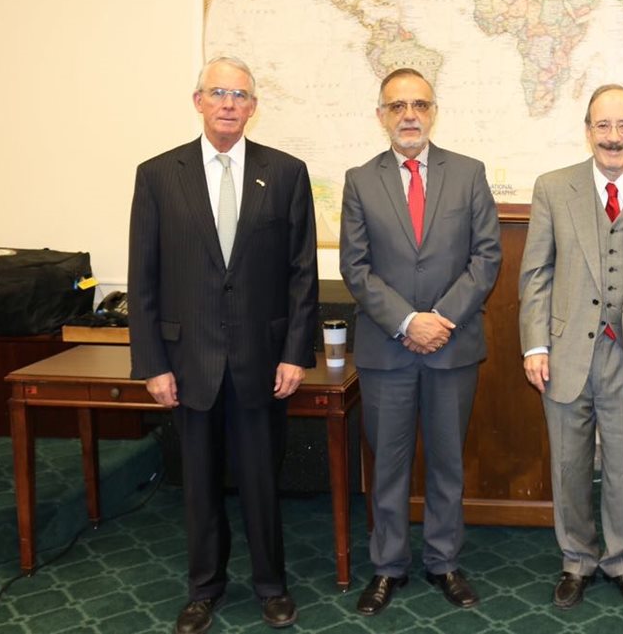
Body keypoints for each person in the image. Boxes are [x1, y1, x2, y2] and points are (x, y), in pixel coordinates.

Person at [129, 56, 318, 634]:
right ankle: (203, 588)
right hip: (189, 363)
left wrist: (294, 352)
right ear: (198, 101)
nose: (230, 103)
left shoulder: (285, 172)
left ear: (254, 107)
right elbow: (144, 277)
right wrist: (153, 365)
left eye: (240, 94)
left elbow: (301, 273)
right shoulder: (159, 174)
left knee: (262, 478)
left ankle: (271, 586)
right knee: (200, 484)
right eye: (219, 92)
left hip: (263, 362)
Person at [519, 84, 623, 610]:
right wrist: (534, 346)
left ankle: (620, 559)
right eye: (603, 126)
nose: (613, 137)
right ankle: (576, 559)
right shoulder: (553, 187)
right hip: (567, 353)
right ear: (588, 129)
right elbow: (536, 274)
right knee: (569, 466)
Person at [339, 68, 501, 616]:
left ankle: (444, 561)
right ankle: (387, 567)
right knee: (387, 463)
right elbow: (356, 269)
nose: (410, 115)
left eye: (420, 105)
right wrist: (408, 322)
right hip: (387, 351)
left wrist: (440, 319)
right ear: (381, 114)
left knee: (446, 462)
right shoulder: (361, 180)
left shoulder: (469, 173)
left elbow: (486, 259)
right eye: (397, 105)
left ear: (434, 112)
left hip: (453, 347)